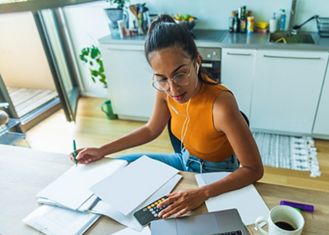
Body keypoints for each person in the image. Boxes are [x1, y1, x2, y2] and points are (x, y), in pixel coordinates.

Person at [73, 14, 263, 218]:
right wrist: (101, 150)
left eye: (180, 74)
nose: (173, 89)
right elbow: (150, 130)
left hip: (216, 174)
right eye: (162, 79)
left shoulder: (221, 104)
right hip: (184, 159)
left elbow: (253, 169)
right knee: (121, 165)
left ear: (197, 60)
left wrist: (202, 193)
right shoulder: (166, 91)